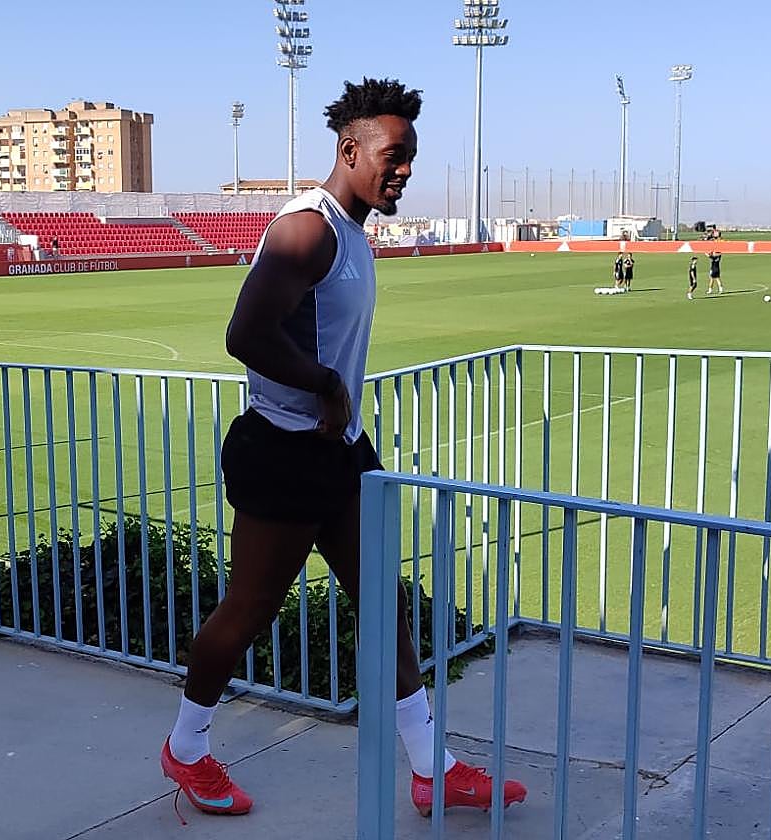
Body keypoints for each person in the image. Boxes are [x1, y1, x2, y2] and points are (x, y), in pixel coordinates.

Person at [160, 77, 527, 821]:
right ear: (350, 149)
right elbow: (246, 335)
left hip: (339, 451)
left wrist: (340, 410)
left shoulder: (353, 232)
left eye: (412, 158)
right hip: (285, 451)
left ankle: (432, 768)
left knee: (381, 600)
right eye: (394, 155)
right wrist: (326, 383)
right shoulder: (309, 228)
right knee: (249, 609)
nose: (405, 170)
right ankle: (188, 747)